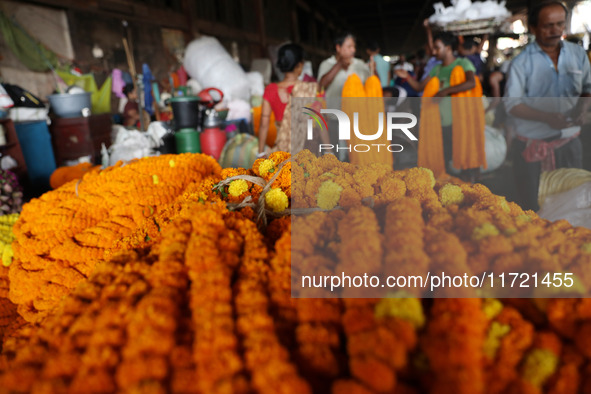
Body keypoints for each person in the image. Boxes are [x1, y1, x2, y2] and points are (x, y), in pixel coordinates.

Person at [504, 0, 591, 211]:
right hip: (533, 148)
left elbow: (587, 88)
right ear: (533, 28)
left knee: (574, 203)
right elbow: (512, 104)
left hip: (570, 142)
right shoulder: (521, 63)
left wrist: (583, 109)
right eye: (547, 25)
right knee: (534, 208)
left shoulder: (578, 55)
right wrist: (546, 117)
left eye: (560, 24)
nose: (555, 30)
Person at [395, 31, 483, 182]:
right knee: (445, 160)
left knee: (466, 158)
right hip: (441, 122)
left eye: (437, 47)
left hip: (460, 121)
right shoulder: (436, 69)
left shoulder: (463, 64)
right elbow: (419, 87)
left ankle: (470, 186)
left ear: (448, 48)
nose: (434, 51)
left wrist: (444, 91)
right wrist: (407, 77)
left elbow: (471, 83)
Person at [258, 43, 328, 156]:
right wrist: (329, 151)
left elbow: (264, 125)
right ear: (299, 65)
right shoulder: (311, 89)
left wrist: (260, 153)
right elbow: (320, 123)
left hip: (282, 150)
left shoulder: (270, 90)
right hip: (307, 151)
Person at [318, 33, 371, 111]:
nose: (353, 50)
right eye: (349, 46)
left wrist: (373, 69)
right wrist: (338, 65)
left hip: (357, 116)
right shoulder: (327, 64)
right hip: (335, 117)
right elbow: (321, 87)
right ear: (338, 48)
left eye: (354, 47)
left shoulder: (360, 64)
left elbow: (370, 86)